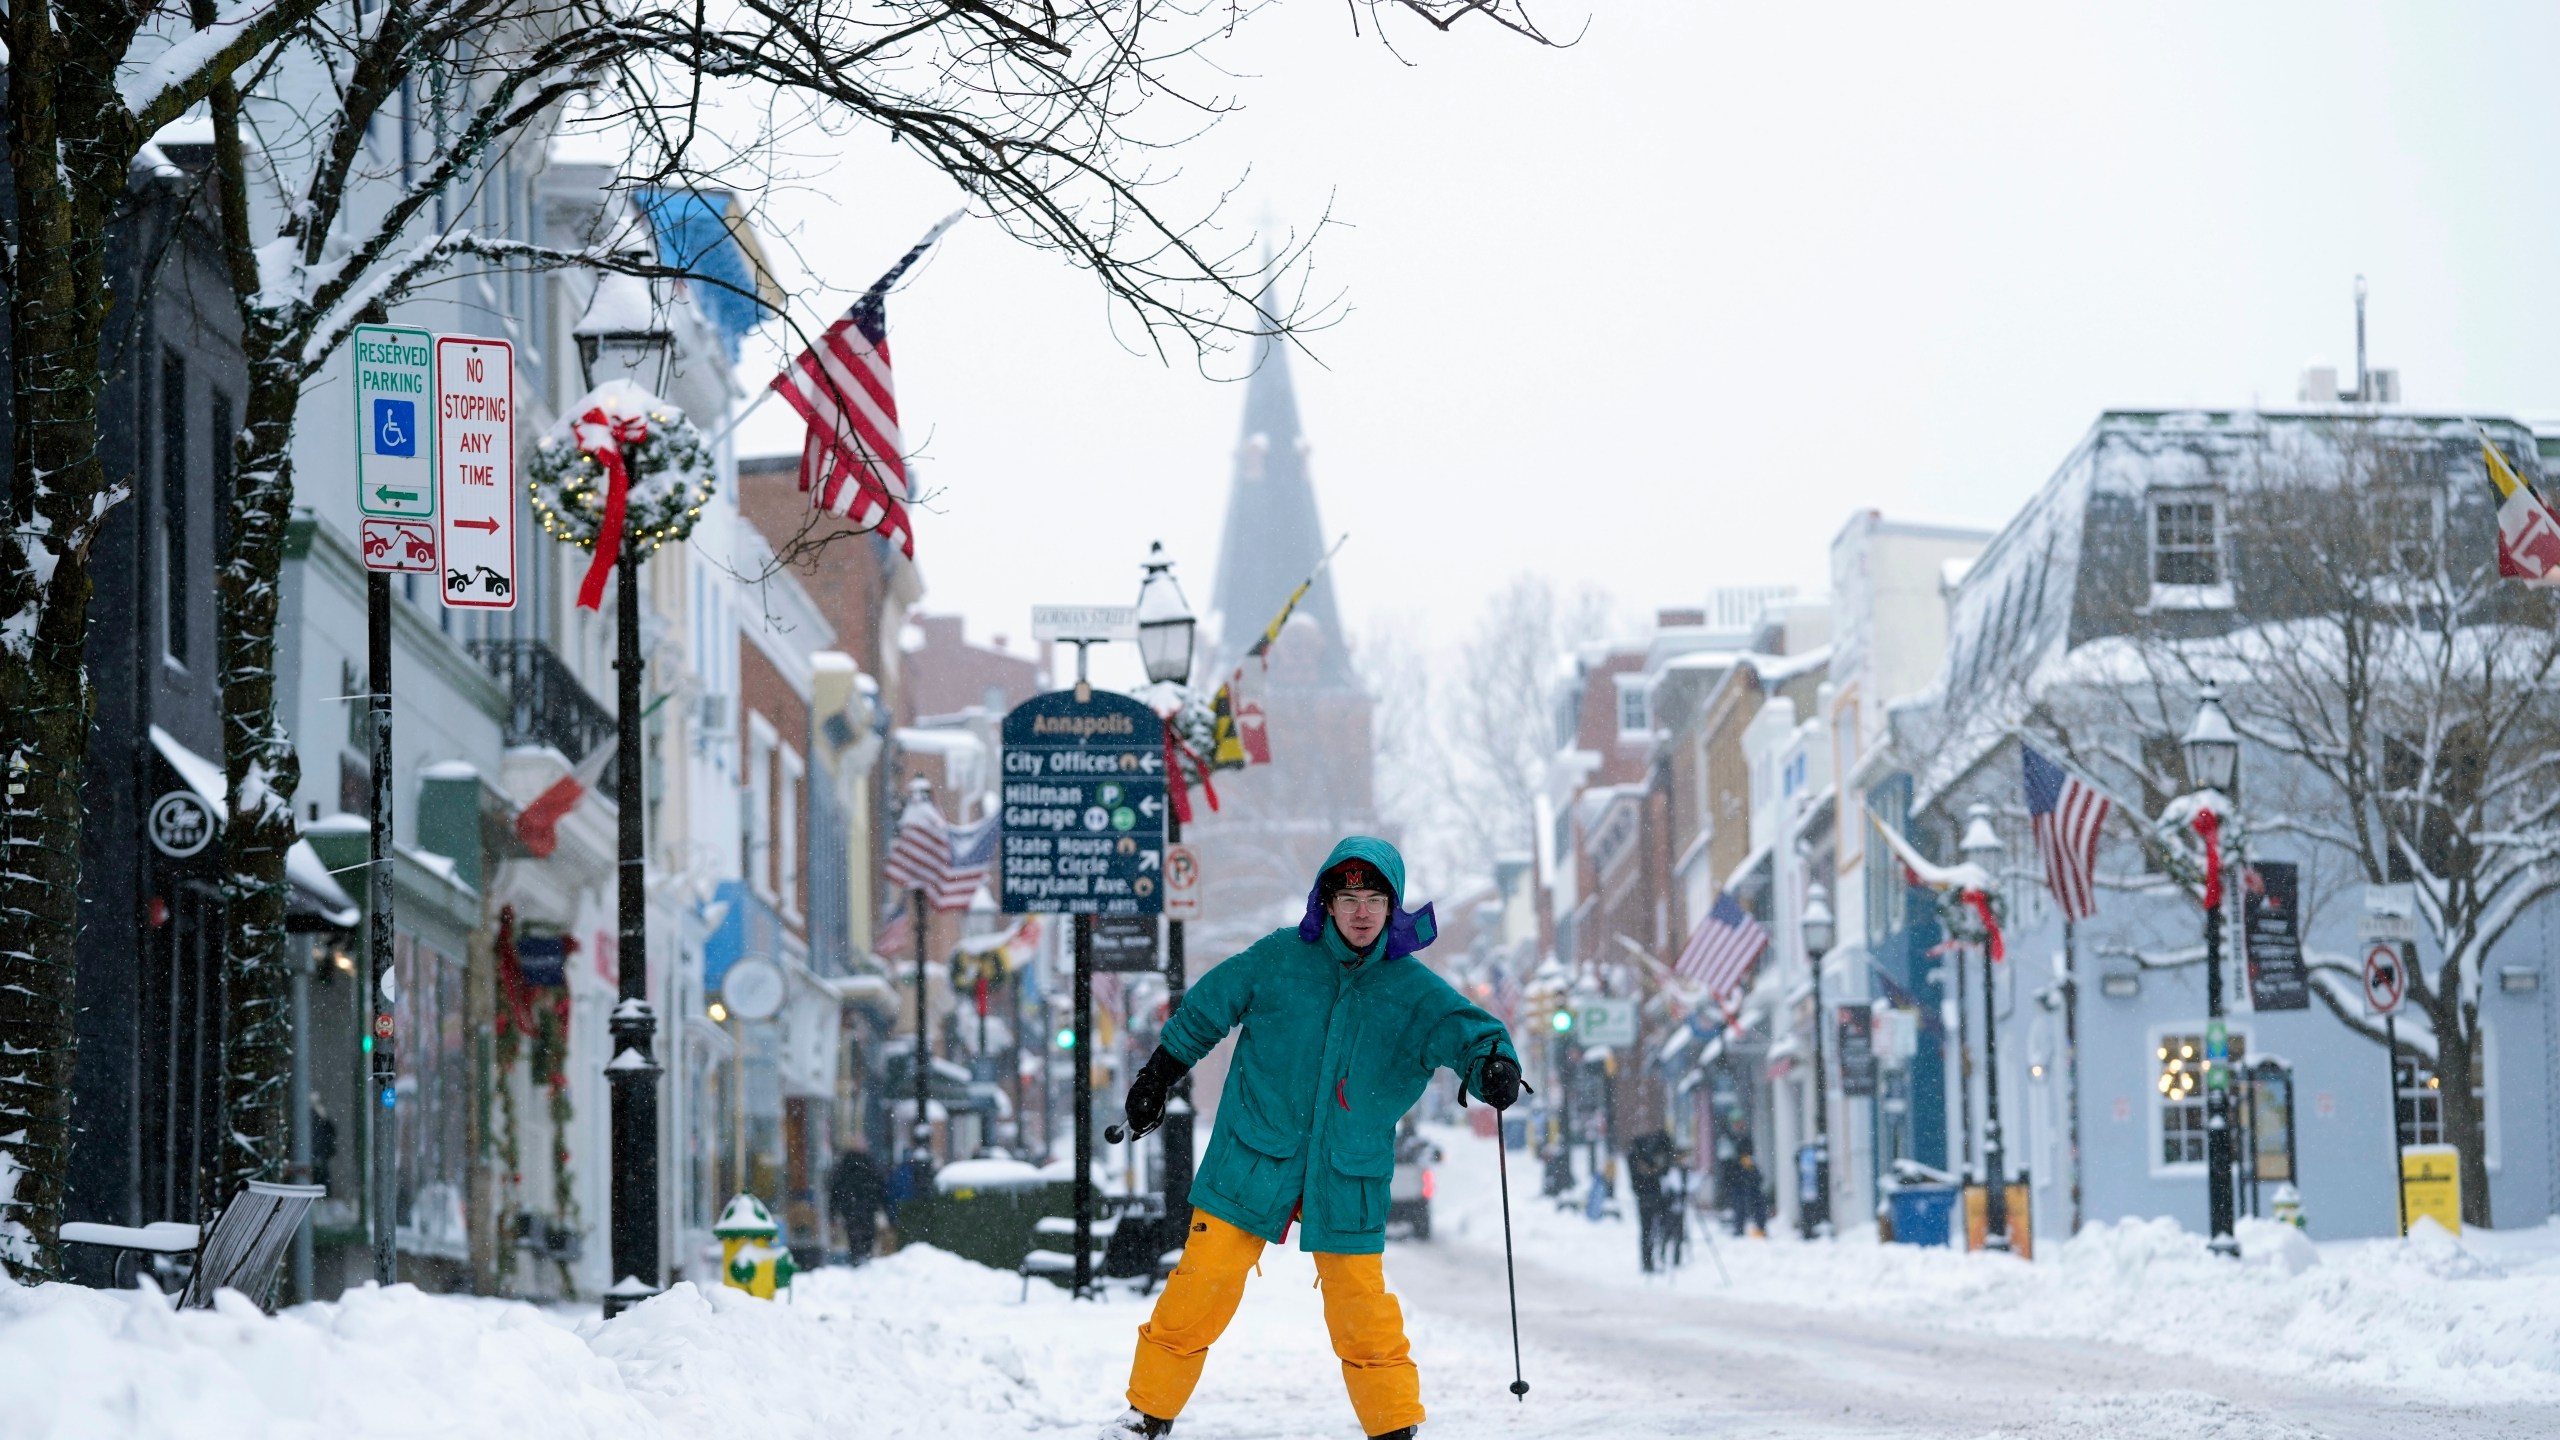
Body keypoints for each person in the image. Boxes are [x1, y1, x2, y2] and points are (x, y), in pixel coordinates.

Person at [1096, 838, 1522, 1440]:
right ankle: (1147, 1414)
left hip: (1347, 1171)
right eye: (1349, 897)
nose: (1362, 912)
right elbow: (1208, 1008)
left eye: (1376, 898)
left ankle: (1395, 1426)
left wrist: (1495, 1068)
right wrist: (1157, 1076)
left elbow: (1475, 1034)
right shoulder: (1279, 959)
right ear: (1327, 901)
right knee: (1200, 1288)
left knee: (1361, 1311)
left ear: (1392, 908)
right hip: (1252, 1156)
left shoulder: (1414, 992)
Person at [826, 1142, 888, 1265]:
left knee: (853, 1232)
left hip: (849, 1207)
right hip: (867, 1207)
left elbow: (834, 1191)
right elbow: (881, 1187)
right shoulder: (870, 1164)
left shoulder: (843, 1166)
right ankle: (866, 1255)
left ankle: (856, 1255)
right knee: (867, 1231)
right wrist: (883, 1206)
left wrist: (833, 1213)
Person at [1625, 1128, 1676, 1272]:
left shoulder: (1636, 1156)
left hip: (1646, 1195)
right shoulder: (1639, 1158)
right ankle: (1649, 1261)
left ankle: (1648, 1260)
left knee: (1647, 1230)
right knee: (1650, 1229)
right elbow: (1651, 1172)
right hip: (1649, 1195)